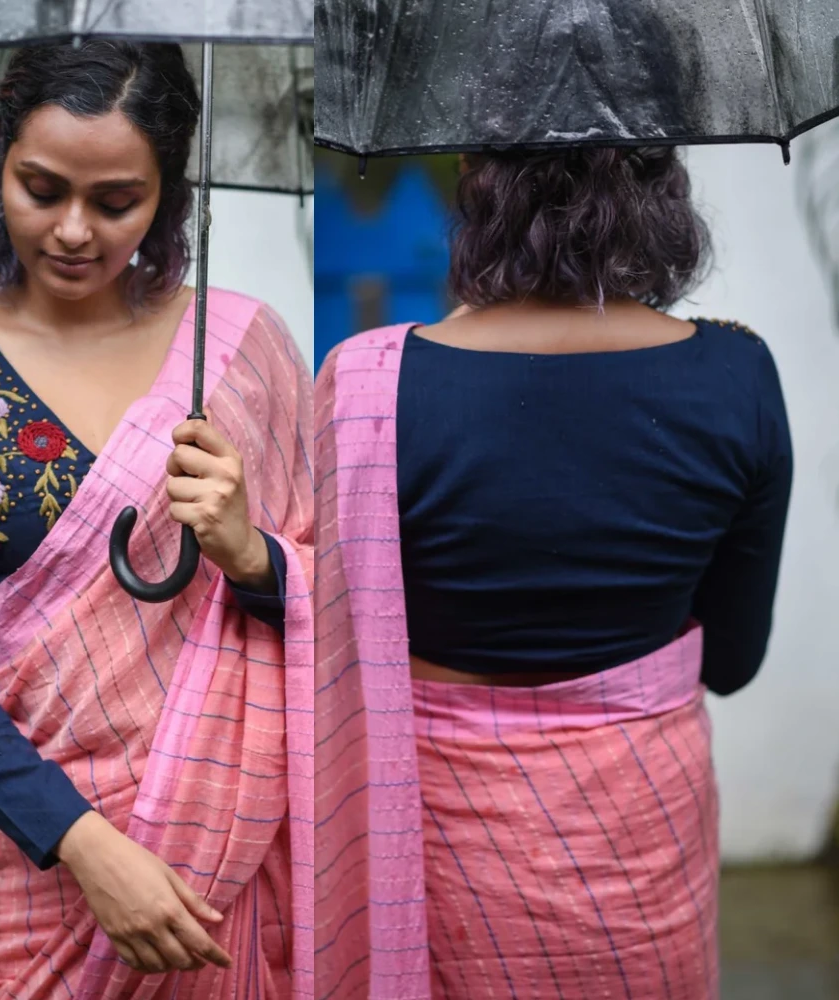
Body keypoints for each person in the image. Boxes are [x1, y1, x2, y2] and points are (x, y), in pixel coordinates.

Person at [0, 39, 313, 1000]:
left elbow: (349, 612)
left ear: (168, 195)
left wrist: (252, 555)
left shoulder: (239, 348)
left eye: (115, 203)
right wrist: (87, 848)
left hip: (237, 862)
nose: (72, 231)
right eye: (41, 188)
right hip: (53, 870)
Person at [314, 146, 792, 999]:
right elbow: (732, 662)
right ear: (660, 189)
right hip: (640, 862)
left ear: (484, 186)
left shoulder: (369, 380)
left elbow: (322, 631)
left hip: (437, 863)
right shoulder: (737, 374)